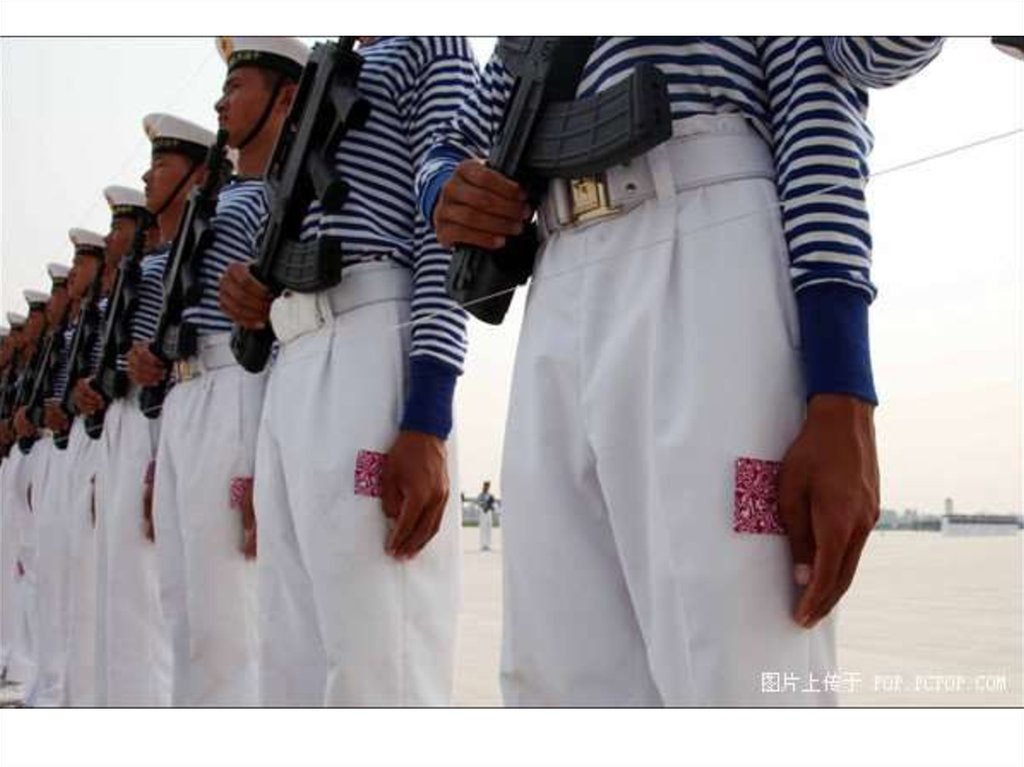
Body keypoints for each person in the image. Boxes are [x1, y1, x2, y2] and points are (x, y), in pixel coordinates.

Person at [419, 37, 905, 706]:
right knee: (552, 676)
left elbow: (834, 94)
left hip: (707, 251)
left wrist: (841, 383)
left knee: (738, 670)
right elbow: (454, 140)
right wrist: (445, 189)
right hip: (557, 277)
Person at [219, 36, 479, 706]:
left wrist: (428, 415)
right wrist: (257, 289)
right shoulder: (327, 68)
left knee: (377, 662)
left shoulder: (429, 40)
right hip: (295, 358)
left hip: (368, 345)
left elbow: (446, 236)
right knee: (290, 658)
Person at [145, 37, 306, 707]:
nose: (220, 102)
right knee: (183, 603)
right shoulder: (221, 200)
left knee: (226, 614)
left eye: (236, 87)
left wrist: (261, 460)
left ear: (283, 99)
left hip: (234, 386)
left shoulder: (273, 197)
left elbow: (272, 330)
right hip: (187, 394)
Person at [475, 480, 496, 552]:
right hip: (483, 512)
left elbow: (493, 505)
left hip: (489, 513)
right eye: (486, 486)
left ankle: (488, 545)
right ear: (483, 486)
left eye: (488, 486)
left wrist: (491, 506)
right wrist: (484, 505)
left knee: (488, 528)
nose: (486, 487)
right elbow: (477, 502)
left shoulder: (491, 495)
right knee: (483, 529)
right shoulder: (480, 495)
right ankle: (482, 545)